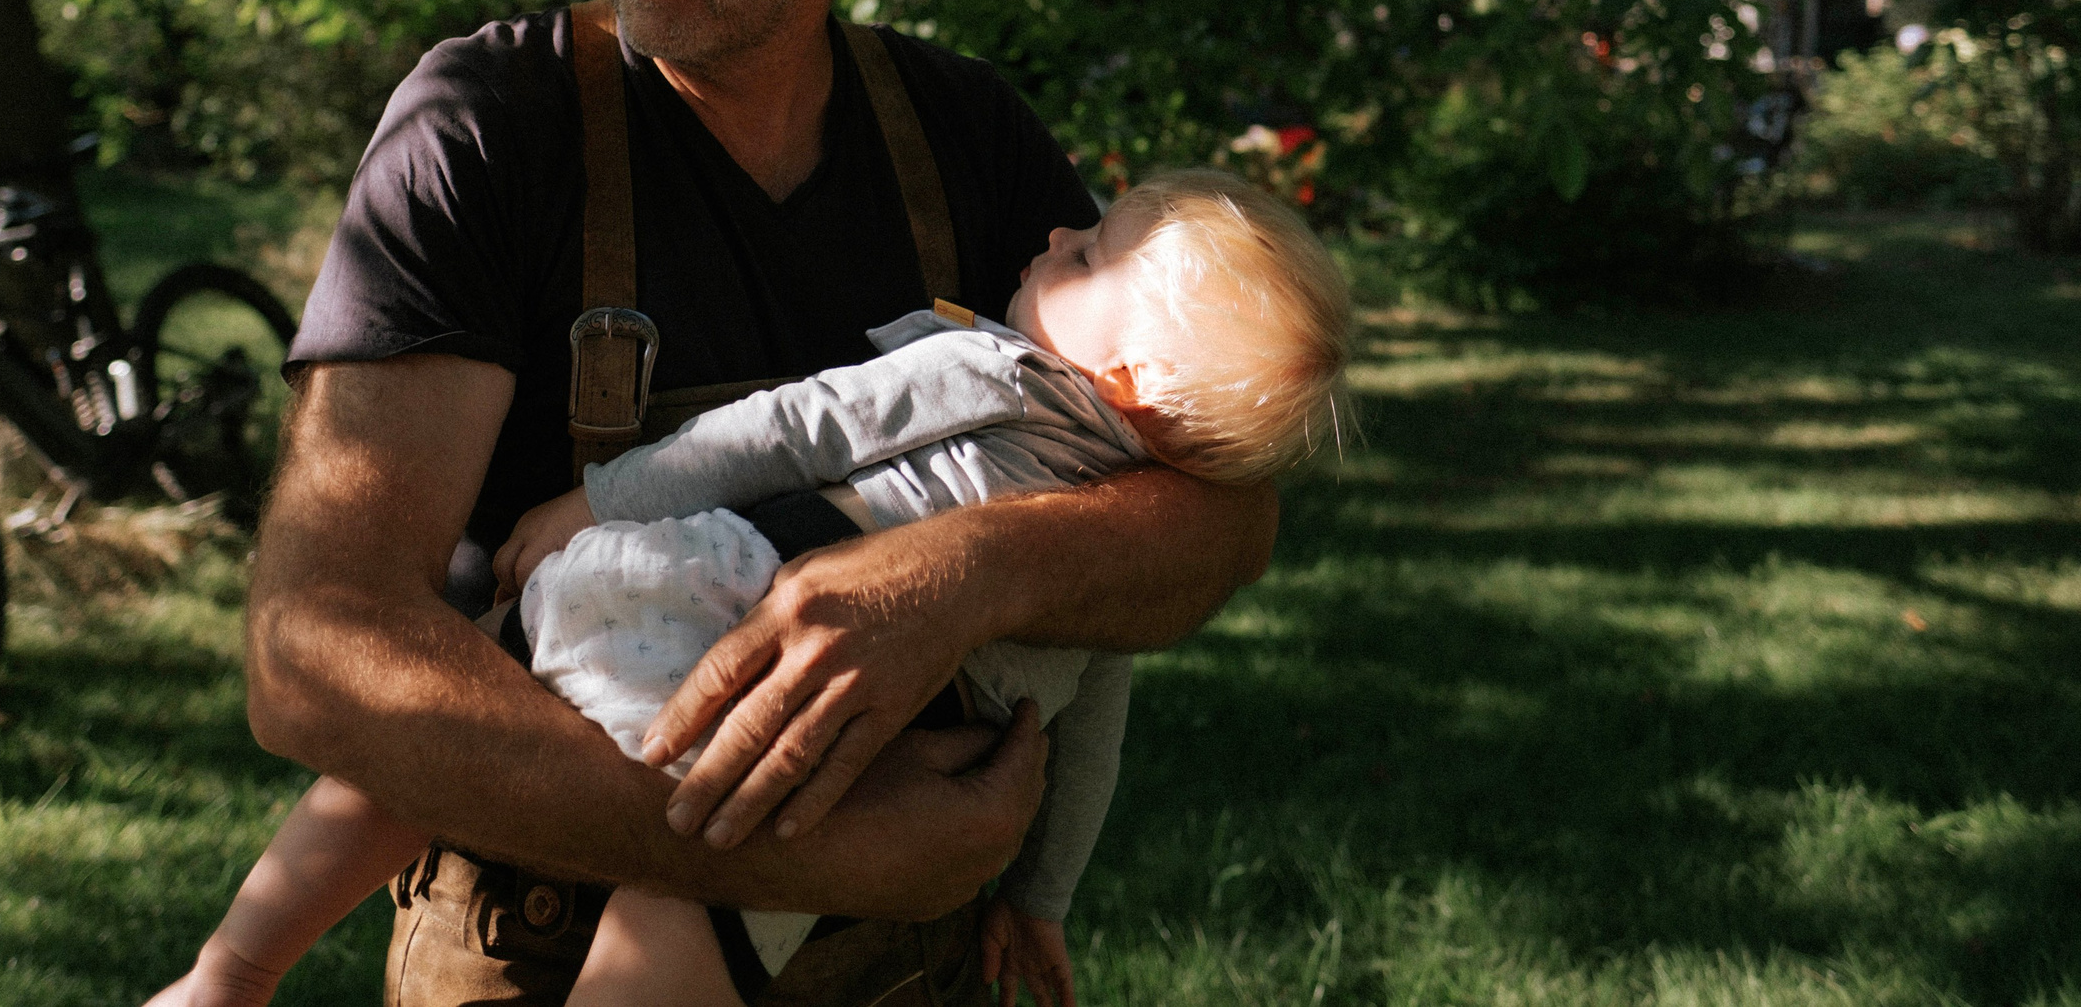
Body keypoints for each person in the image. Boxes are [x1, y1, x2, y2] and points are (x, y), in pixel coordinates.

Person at [244, 0, 1288, 1007]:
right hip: (547, 951)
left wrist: (959, 577)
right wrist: (803, 847)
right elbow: (314, 654)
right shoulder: (489, 130)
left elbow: (1223, 514)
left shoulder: (970, 140)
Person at [155, 173, 1350, 1007]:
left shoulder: (996, 365)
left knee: (439, 728)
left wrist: (603, 497)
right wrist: (1043, 894)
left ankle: (237, 969)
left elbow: (796, 425)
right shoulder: (1112, 551)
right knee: (689, 929)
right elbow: (1086, 735)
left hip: (700, 603)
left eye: (1089, 253)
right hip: (838, 769)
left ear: (1127, 375)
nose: (1058, 232)